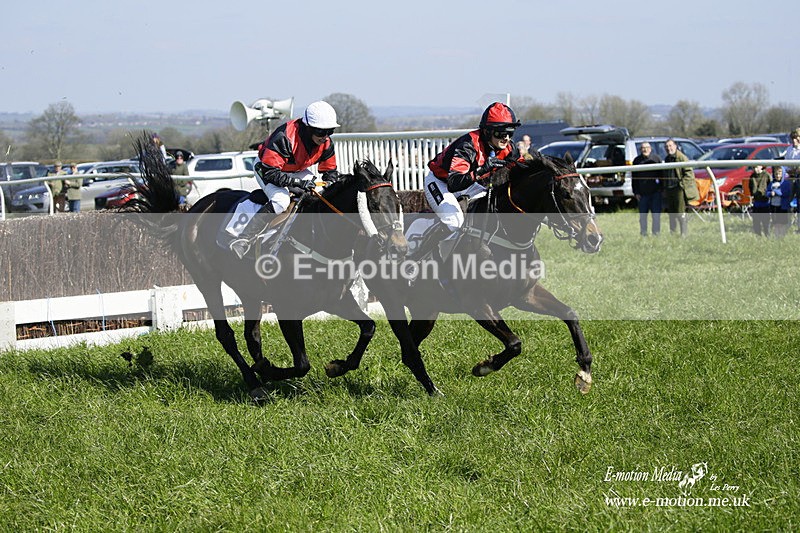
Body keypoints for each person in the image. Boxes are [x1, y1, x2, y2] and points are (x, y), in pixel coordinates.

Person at [229, 100, 341, 259]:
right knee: (281, 200)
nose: (325, 137)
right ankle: (244, 238)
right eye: (321, 132)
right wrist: (297, 183)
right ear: (309, 128)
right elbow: (270, 172)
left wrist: (330, 183)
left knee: (319, 194)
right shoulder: (285, 137)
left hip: (295, 169)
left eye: (330, 131)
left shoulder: (326, 143)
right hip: (266, 168)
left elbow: (330, 170)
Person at [420, 102, 523, 259]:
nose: (506, 138)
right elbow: (454, 183)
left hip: (468, 183)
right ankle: (419, 257)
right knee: (454, 223)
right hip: (441, 183)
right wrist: (482, 170)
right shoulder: (468, 145)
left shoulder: (509, 149)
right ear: (488, 132)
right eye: (501, 133)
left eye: (510, 132)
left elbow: (523, 169)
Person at [663, 138, 699, 237]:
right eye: (666, 147)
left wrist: (681, 185)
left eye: (670, 146)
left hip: (678, 189)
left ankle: (684, 233)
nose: (668, 148)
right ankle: (673, 233)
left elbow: (689, 174)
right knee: (671, 213)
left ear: (675, 146)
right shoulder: (667, 159)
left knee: (680, 212)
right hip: (670, 189)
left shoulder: (682, 158)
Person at [632, 142, 663, 236]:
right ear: (640, 150)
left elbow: (662, 176)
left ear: (650, 149)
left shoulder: (656, 159)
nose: (645, 149)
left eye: (646, 147)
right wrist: (636, 192)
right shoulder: (636, 161)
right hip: (642, 194)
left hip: (655, 193)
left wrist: (661, 189)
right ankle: (643, 233)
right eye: (642, 148)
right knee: (643, 217)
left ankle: (656, 233)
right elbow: (634, 179)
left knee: (656, 216)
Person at [783, 129, 800, 232]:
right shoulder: (789, 149)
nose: (794, 140)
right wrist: (790, 170)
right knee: (789, 202)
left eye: (796, 137)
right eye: (792, 138)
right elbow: (786, 164)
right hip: (792, 178)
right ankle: (788, 224)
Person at [767, 166, 792, 238]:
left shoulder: (785, 183)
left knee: (782, 223)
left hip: (782, 206)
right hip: (774, 205)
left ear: (783, 174)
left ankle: (782, 236)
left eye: (779, 174)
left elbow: (786, 193)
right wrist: (770, 194)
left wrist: (776, 192)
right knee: (775, 222)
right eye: (776, 174)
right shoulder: (772, 183)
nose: (778, 176)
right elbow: (767, 192)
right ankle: (776, 236)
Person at [748, 165, 771, 236]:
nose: (755, 169)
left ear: (761, 166)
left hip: (765, 201)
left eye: (756, 167)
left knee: (765, 220)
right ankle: (758, 235)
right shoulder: (752, 177)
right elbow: (750, 187)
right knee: (756, 220)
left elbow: (770, 185)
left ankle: (767, 234)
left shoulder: (766, 175)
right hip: (756, 202)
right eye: (753, 167)